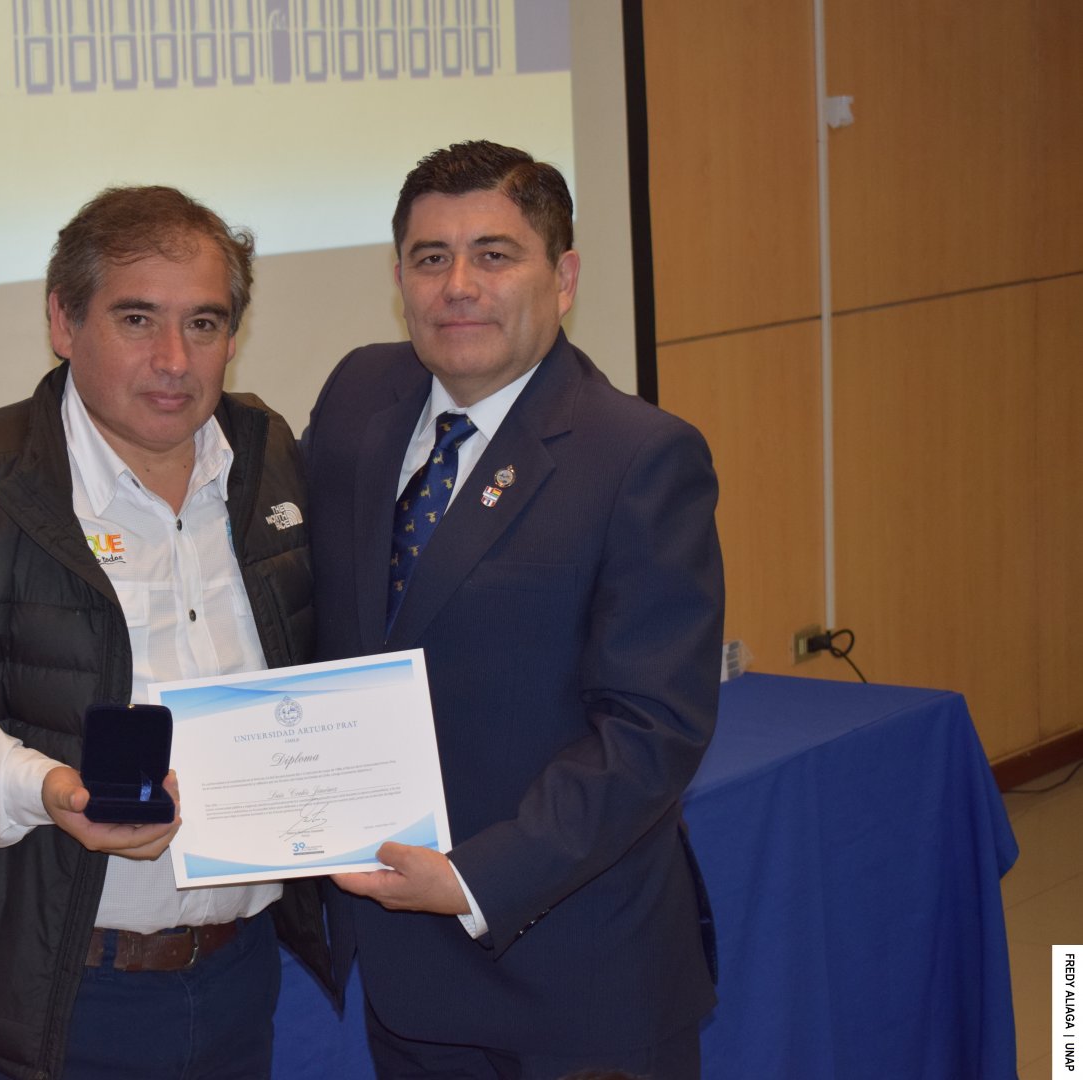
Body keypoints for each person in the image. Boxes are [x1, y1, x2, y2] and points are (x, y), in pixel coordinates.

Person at [0, 185, 330, 1080]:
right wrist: (47, 789)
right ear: (63, 322)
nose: (174, 360)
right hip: (46, 993)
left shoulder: (270, 458)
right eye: (137, 319)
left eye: (204, 324)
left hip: (240, 976)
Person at [303, 141, 723, 1078]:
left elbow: (653, 729)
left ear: (563, 278)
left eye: (494, 255)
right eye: (430, 258)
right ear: (400, 280)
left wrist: (473, 878)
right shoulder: (359, 396)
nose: (458, 286)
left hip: (575, 978)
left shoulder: (639, 457)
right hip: (405, 976)